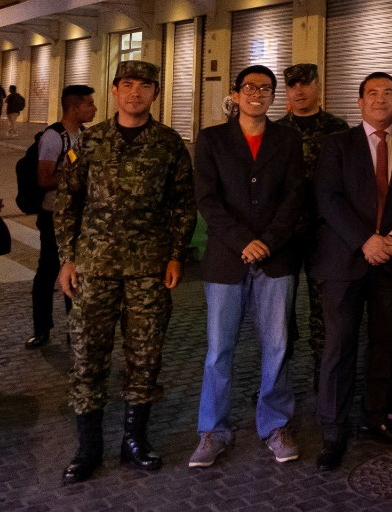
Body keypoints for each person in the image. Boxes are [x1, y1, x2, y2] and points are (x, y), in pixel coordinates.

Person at [54, 60, 197, 483]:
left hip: (148, 272)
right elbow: (67, 203)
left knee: (145, 358)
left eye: (145, 86)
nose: (135, 92)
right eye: (127, 84)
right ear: (114, 91)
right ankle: (88, 447)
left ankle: (135, 440)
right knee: (86, 357)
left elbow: (183, 205)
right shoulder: (89, 141)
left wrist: (175, 255)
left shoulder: (169, 144)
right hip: (93, 270)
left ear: (155, 93)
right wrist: (67, 257)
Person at [312, 72, 392, 472]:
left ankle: (377, 415)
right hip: (345, 261)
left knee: (387, 344)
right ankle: (333, 431)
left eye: (388, 94)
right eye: (373, 94)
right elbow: (327, 198)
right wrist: (365, 240)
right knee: (339, 346)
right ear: (360, 102)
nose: (381, 100)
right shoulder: (337, 146)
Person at [189, 65, 307, 468]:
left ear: (274, 97)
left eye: (266, 88)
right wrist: (244, 241)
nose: (257, 93)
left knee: (277, 347)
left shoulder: (287, 139)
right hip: (227, 259)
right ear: (236, 94)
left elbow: (295, 197)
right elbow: (207, 198)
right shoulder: (211, 139)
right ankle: (212, 431)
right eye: (250, 87)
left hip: (276, 259)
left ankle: (274, 424)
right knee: (219, 349)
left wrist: (268, 242)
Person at [279, 63, 350, 388]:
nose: (300, 90)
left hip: (325, 233)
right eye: (293, 85)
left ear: (318, 86)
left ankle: (325, 379)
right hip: (286, 234)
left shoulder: (338, 129)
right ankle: (275, 379)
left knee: (324, 312)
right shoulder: (277, 130)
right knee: (279, 314)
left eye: (306, 83)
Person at [28, 83, 95, 350]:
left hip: (80, 216)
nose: (94, 108)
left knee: (77, 273)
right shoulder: (54, 137)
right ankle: (42, 328)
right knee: (47, 272)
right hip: (53, 216)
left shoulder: (85, 135)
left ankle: (74, 329)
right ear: (74, 107)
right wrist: (74, 176)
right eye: (89, 104)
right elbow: (44, 178)